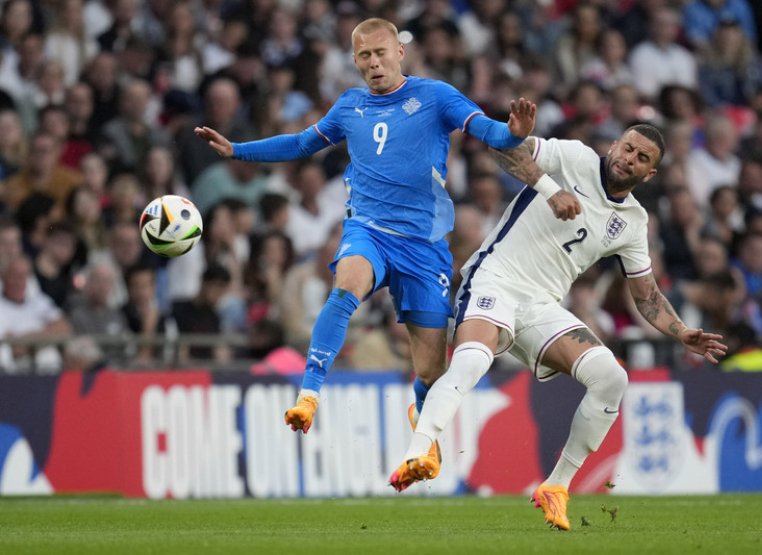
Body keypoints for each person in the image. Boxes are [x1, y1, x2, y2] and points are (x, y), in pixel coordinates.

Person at [194, 17, 536, 438]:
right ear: (355, 60)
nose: (374, 63)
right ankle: (309, 395)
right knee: (346, 286)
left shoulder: (435, 95)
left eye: (380, 53)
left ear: (399, 53)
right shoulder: (349, 105)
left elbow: (485, 130)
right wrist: (238, 150)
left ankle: (424, 431)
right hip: (368, 229)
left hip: (423, 245)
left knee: (431, 371)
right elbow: (303, 143)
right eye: (364, 56)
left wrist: (510, 132)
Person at [388, 124, 727, 531]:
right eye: (628, 148)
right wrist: (550, 189)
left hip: (541, 306)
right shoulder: (575, 157)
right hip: (495, 278)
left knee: (611, 378)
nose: (629, 159)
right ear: (615, 144)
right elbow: (504, 150)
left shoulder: (634, 221)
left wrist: (680, 331)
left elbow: (646, 296)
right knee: (472, 360)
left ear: (649, 174)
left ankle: (557, 486)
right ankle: (419, 450)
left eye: (642, 159)